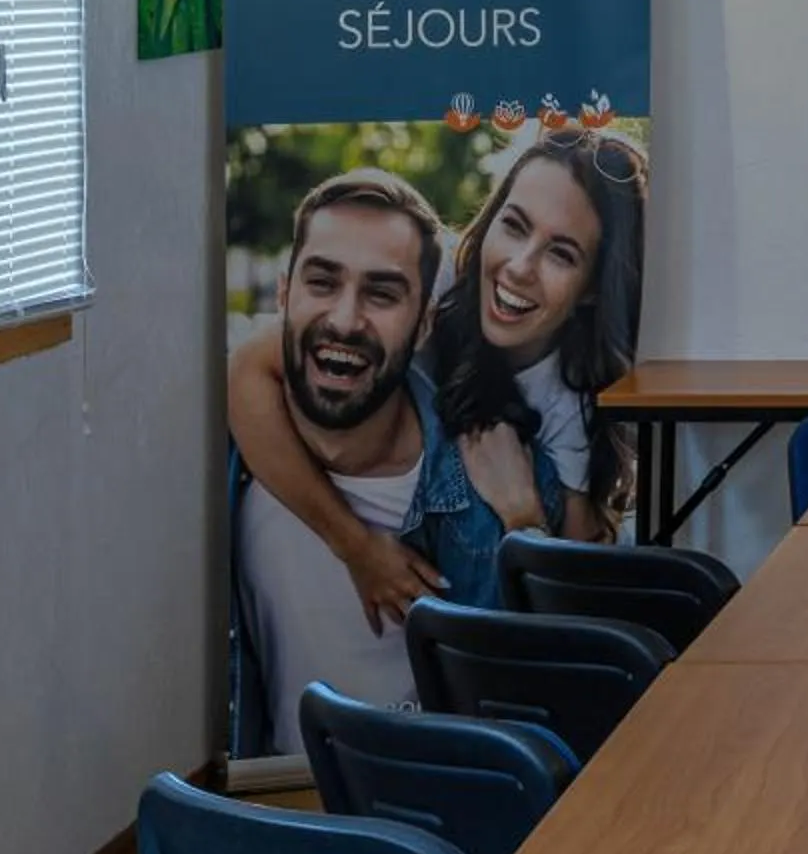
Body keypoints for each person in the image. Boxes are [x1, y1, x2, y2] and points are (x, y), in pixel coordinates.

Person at [228, 126, 648, 629]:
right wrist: (357, 547)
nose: (519, 267)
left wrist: (522, 516)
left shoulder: (572, 399)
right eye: (514, 226)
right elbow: (248, 371)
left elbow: (572, 609)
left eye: (561, 253)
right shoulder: (436, 278)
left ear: (593, 289)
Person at [232, 170, 563, 754]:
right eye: (322, 283)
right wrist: (356, 545)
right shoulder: (223, 450)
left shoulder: (496, 487)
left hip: (434, 795)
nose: (344, 319)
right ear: (284, 297)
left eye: (382, 294)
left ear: (424, 324)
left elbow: (545, 694)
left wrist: (525, 527)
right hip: (274, 798)